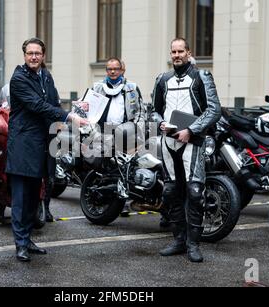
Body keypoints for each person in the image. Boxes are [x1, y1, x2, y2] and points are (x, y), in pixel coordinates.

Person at [7, 38, 87, 262]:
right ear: (24, 55)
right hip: (24, 146)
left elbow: (53, 101)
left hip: (43, 145)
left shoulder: (46, 76)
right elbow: (37, 105)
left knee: (35, 198)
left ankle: (28, 239)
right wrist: (69, 116)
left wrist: (72, 111)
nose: (34, 57)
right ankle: (20, 244)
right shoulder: (19, 78)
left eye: (37, 53)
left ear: (43, 55)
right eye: (30, 53)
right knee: (21, 200)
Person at [151, 38, 221, 262]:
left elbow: (214, 110)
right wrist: (160, 122)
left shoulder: (202, 77)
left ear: (189, 53)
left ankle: (193, 245)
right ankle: (179, 240)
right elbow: (154, 111)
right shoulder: (163, 79)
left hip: (193, 141)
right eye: (173, 51)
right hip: (169, 141)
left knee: (194, 193)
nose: (177, 55)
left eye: (181, 51)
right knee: (171, 191)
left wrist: (191, 130)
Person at [76, 57, 146, 217]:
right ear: (106, 71)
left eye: (116, 69)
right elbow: (86, 105)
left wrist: (137, 130)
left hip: (125, 131)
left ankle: (126, 202)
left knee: (127, 167)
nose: (113, 72)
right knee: (104, 166)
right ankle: (104, 197)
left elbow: (140, 112)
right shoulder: (98, 87)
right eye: (109, 69)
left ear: (122, 70)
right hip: (103, 131)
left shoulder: (132, 88)